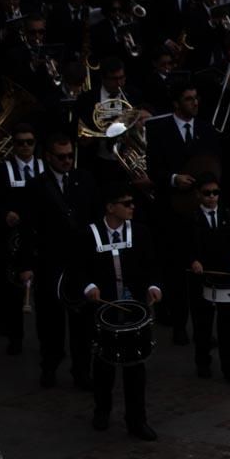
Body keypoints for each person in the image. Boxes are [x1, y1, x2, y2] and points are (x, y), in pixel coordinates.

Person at [69, 188, 163, 441]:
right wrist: (89, 287)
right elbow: (76, 268)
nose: (132, 207)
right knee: (103, 363)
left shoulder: (140, 232)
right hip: (103, 310)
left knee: (136, 366)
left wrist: (153, 287)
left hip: (133, 309)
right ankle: (102, 410)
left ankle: (137, 420)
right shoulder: (89, 235)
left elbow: (152, 265)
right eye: (127, 203)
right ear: (110, 207)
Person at [187, 174, 230, 385]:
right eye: (207, 193)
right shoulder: (192, 219)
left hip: (225, 276)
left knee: (226, 322)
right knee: (203, 322)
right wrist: (194, 260)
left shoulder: (227, 215)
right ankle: (203, 362)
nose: (212, 197)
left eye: (215, 193)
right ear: (199, 195)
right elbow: (185, 247)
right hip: (203, 278)